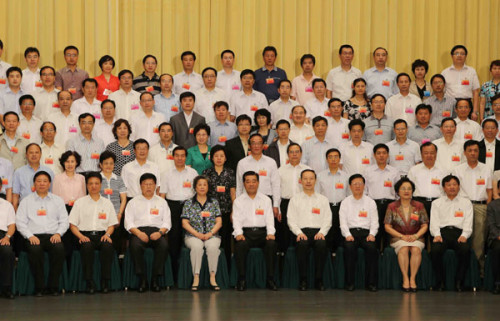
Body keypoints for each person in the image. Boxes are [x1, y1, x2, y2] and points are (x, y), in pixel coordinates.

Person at [15, 171, 69, 296]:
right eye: (39, 181)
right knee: (35, 250)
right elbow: (20, 222)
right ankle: (39, 287)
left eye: (45, 181)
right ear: (34, 183)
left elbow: (64, 221)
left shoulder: (58, 200)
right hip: (34, 236)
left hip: (52, 236)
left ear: (49, 184)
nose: (42, 184)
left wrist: (58, 234)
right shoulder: (26, 201)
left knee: (59, 249)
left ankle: (53, 286)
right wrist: (30, 236)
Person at [69, 172, 117, 294]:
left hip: (102, 235)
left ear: (101, 185)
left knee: (107, 247)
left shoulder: (107, 203)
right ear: (87, 186)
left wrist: (107, 235)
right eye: (90, 184)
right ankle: (89, 281)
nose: (93, 186)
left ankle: (105, 281)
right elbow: (72, 225)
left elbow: (112, 224)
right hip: (84, 235)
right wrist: (80, 236)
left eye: (96, 183)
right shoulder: (80, 202)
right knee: (87, 247)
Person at [125, 173, 171, 292]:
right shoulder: (133, 202)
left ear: (156, 186)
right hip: (138, 231)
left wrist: (160, 233)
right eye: (145, 184)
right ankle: (142, 279)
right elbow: (128, 223)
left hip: (157, 231)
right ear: (140, 186)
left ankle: (155, 279)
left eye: (151, 184)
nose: (148, 187)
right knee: (135, 245)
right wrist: (139, 233)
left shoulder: (162, 202)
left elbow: (167, 222)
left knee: (163, 245)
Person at [452, 140, 492, 277]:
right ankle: (463, 273)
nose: (473, 153)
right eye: (470, 150)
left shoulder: (486, 169)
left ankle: (478, 272)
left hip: (481, 206)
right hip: (462, 207)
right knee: (461, 238)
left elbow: (490, 190)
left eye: (475, 150)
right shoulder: (457, 170)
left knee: (479, 241)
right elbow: (454, 190)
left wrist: (488, 206)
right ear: (464, 153)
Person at [232, 171, 277, 291]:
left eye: (254, 181)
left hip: (262, 233)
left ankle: (270, 279)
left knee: (272, 244)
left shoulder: (266, 199)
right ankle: (242, 279)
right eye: (248, 181)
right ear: (244, 184)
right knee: (240, 246)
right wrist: (239, 233)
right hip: (246, 234)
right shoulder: (238, 201)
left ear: (258, 182)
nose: (251, 184)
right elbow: (236, 220)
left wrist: (270, 233)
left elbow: (269, 218)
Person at [287, 169, 331, 291]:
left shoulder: (323, 199)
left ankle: (319, 280)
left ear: (315, 180)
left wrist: (322, 232)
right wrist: (299, 233)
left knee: (322, 244)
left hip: (318, 232)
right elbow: (291, 220)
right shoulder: (294, 199)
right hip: (301, 232)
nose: (308, 181)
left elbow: (328, 219)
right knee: (302, 244)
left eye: (311, 178)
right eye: (305, 178)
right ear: (300, 181)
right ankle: (303, 280)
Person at [159, 146, 198, 281]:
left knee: (190, 238)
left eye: (183, 155)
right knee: (174, 240)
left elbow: (197, 193)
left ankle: (190, 273)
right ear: (173, 157)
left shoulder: (193, 173)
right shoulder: (166, 173)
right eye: (177, 155)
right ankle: (175, 274)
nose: (180, 158)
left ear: (186, 157)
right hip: (172, 206)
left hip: (189, 206)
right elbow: (162, 195)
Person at [384, 177, 429, 292]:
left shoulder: (419, 206)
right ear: (398, 191)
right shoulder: (392, 206)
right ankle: (405, 279)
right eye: (403, 188)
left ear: (412, 191)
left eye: (409, 188)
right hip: (398, 237)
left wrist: (416, 236)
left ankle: (413, 279)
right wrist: (401, 236)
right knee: (403, 249)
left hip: (416, 237)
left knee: (416, 250)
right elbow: (387, 226)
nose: (406, 191)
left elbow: (424, 225)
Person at [430, 175, 473, 292]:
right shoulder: (436, 203)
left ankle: (459, 282)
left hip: (458, 233)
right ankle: (440, 282)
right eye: (448, 185)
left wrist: (464, 235)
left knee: (465, 250)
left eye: (454, 184)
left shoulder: (466, 202)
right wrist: (436, 235)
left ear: (459, 186)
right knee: (435, 250)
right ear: (444, 187)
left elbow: (468, 222)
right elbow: (434, 221)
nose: (452, 187)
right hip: (442, 233)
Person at [181, 175, 223, 291]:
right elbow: (185, 223)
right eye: (199, 184)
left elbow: (219, 222)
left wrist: (210, 234)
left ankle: (212, 276)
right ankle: (196, 276)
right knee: (197, 247)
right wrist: (197, 234)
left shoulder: (214, 202)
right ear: (195, 187)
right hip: (192, 236)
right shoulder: (189, 203)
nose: (202, 187)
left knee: (213, 247)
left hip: (212, 235)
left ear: (208, 187)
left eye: (205, 185)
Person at [339, 174, 379, 292]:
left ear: (364, 186)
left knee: (372, 249)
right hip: (351, 233)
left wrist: (372, 234)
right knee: (349, 248)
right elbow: (343, 222)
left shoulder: (370, 202)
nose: (357, 186)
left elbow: (375, 222)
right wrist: (347, 235)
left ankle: (371, 283)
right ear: (350, 186)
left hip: (366, 233)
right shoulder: (345, 202)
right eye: (355, 184)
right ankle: (349, 283)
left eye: (360, 183)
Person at [202, 145, 236, 268]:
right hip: (210, 214)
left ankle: (226, 268)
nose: (219, 158)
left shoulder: (230, 172)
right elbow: (202, 193)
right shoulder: (207, 173)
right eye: (216, 156)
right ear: (212, 158)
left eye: (222, 156)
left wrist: (233, 211)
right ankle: (211, 268)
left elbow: (233, 193)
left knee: (226, 241)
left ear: (226, 158)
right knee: (211, 240)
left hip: (226, 212)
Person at [364, 144, 400, 249]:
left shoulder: (394, 171)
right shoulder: (368, 171)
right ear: (374, 155)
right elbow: (365, 190)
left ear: (388, 155)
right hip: (373, 204)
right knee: (375, 231)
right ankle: (376, 256)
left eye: (384, 153)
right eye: (378, 153)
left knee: (389, 232)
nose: (381, 156)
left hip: (390, 205)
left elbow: (398, 191)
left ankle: (387, 255)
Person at [277, 143, 311, 258]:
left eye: (297, 152)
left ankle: (301, 259)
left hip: (304, 204)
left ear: (301, 154)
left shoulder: (308, 170)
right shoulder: (281, 170)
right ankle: (287, 261)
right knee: (286, 235)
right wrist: (278, 208)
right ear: (287, 155)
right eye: (291, 152)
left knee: (301, 232)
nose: (294, 154)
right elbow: (277, 191)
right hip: (286, 203)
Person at [235, 134, 281, 217]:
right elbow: (239, 186)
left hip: (267, 200)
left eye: (259, 143)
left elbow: (276, 185)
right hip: (247, 200)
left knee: (267, 228)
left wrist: (276, 205)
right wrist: (238, 206)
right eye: (253, 143)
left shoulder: (271, 162)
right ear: (249, 145)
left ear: (263, 145)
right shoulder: (242, 163)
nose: (256, 146)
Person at [317, 148, 349, 253]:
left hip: (341, 208)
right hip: (326, 207)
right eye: (330, 157)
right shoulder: (320, 176)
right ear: (326, 159)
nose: (333, 159)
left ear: (340, 159)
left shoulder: (345, 176)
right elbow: (317, 194)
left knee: (340, 234)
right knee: (327, 234)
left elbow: (349, 195)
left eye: (336, 157)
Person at [408, 142, 447, 219]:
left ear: (436, 154)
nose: (429, 155)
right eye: (426, 153)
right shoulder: (414, 170)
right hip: (417, 204)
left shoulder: (444, 170)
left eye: (432, 153)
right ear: (421, 154)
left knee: (436, 228)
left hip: (438, 204)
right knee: (417, 228)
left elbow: (446, 190)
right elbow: (409, 189)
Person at [441, 45, 480, 120]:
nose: (459, 56)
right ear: (452, 56)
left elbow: (476, 92)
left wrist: (475, 111)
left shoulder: (471, 71)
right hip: (450, 104)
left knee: (467, 127)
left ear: (466, 56)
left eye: (462, 54)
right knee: (449, 128)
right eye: (457, 53)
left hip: (466, 104)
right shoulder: (445, 72)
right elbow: (441, 92)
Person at [99, 151, 127, 254]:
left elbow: (123, 198)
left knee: (117, 241)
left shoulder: (119, 179)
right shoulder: (97, 179)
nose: (108, 166)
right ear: (101, 165)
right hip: (101, 214)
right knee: (104, 242)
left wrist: (119, 214)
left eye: (111, 163)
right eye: (106, 163)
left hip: (116, 215)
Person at [12, 143, 55, 209]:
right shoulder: (19, 172)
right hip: (25, 208)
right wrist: (15, 210)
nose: (34, 155)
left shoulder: (49, 171)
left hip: (45, 208)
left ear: (41, 154)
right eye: (31, 152)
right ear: (26, 155)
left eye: (37, 152)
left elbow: (52, 192)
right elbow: (15, 194)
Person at [0, 178, 15, 299]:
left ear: (1, 188)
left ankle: (6, 288)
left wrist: (7, 237)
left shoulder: (7, 205)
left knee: (7, 251)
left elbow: (12, 225)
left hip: (3, 235)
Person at [486, 183, 500, 294]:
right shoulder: (492, 205)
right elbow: (491, 225)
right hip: (497, 238)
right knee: (498, 249)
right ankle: (498, 283)